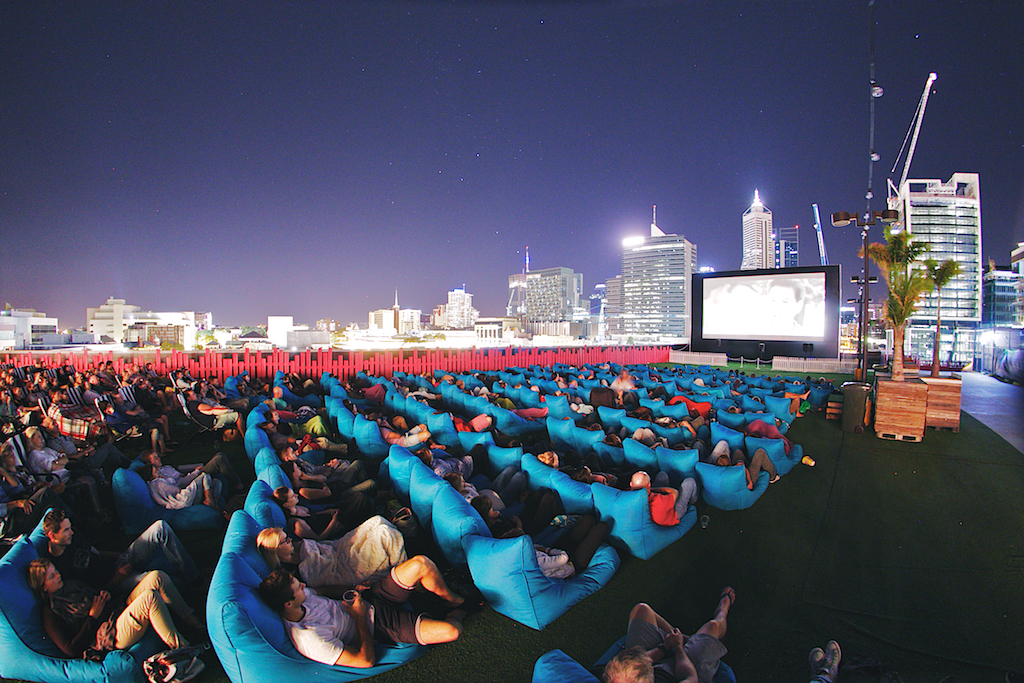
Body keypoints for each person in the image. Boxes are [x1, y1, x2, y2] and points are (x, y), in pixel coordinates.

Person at [257, 568, 464, 668]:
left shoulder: (301, 599)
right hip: (379, 625)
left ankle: (454, 600)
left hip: (370, 598)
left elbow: (323, 590)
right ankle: (461, 611)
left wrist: (353, 589)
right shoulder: (309, 639)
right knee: (452, 631)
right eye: (298, 587)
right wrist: (359, 618)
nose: (303, 585)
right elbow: (364, 661)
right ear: (288, 603)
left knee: (421, 563)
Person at [28, 558, 196, 658]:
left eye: (56, 571)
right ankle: (182, 649)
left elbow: (97, 596)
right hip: (110, 634)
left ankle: (194, 623)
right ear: (43, 587)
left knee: (156, 576)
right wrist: (92, 617)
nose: (58, 575)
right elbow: (71, 649)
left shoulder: (70, 585)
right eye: (52, 576)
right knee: (149, 597)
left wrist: (104, 596)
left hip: (117, 610)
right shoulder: (51, 613)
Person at [41, 508, 200, 596]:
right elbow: (95, 593)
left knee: (160, 527)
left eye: (70, 528)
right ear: (52, 535)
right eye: (66, 530)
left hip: (117, 563)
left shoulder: (73, 539)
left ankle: (193, 578)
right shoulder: (59, 569)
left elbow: (95, 552)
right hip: (116, 583)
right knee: (168, 582)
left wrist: (118, 555)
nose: (71, 533)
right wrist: (119, 576)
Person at [601, 589, 735, 683]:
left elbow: (634, 665)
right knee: (713, 626)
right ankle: (723, 609)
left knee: (641, 610)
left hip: (648, 665)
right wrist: (677, 647)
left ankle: (679, 636)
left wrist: (665, 646)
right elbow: (690, 677)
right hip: (683, 670)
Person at [256, 521, 406, 589]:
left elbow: (325, 546)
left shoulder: (295, 547)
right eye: (285, 541)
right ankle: (402, 569)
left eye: (287, 537)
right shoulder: (293, 573)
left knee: (376, 521)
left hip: (339, 549)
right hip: (346, 568)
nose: (290, 540)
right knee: (384, 534)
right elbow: (321, 582)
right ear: (275, 550)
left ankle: (399, 549)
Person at [629, 471, 698, 527]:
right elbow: (674, 492)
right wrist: (652, 489)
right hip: (672, 514)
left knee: (662, 475)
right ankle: (692, 502)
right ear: (649, 485)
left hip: (655, 512)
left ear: (631, 484)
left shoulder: (627, 494)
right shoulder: (661, 501)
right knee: (689, 482)